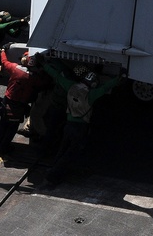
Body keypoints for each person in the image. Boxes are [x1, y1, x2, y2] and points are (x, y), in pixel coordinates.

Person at [40, 59, 122, 187]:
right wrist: (119, 78)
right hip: (80, 128)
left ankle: (53, 169)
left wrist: (44, 64)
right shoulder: (91, 94)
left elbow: (56, 75)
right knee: (70, 154)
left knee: (62, 150)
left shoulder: (70, 86)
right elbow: (106, 87)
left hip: (68, 126)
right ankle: (53, 176)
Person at [0, 50, 52, 159]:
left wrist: (2, 51)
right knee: (11, 129)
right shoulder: (34, 78)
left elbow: (4, 62)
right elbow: (46, 82)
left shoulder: (15, 69)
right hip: (19, 105)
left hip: (7, 101)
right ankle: (4, 147)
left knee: (3, 125)